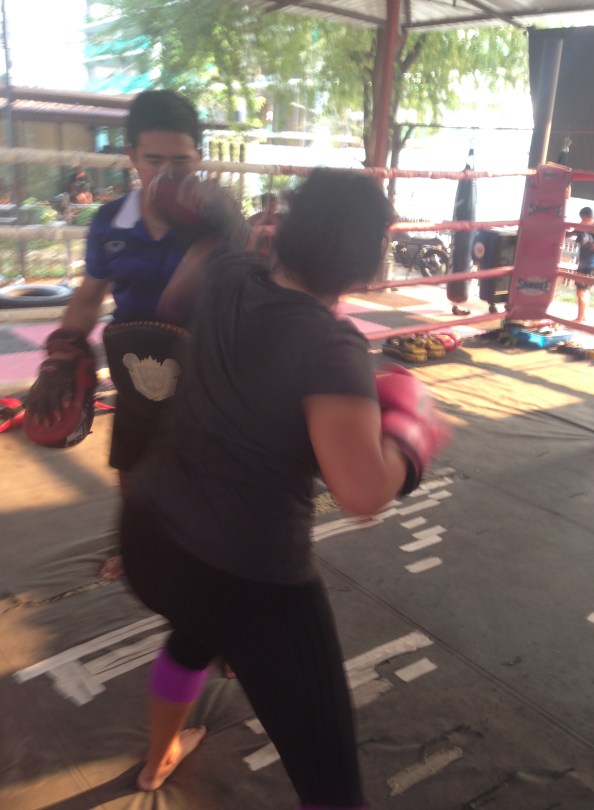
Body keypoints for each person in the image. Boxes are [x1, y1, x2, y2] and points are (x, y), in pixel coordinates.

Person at [119, 168, 450, 802]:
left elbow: (172, 301)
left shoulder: (227, 275)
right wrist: (410, 437)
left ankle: (156, 761)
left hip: (151, 538)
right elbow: (361, 492)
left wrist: (220, 223)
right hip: (248, 576)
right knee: (333, 790)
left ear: (288, 229)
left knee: (195, 630)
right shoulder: (329, 345)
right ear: (369, 260)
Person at [26, 89, 245, 580]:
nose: (168, 172)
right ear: (131, 156)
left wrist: (226, 237)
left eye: (181, 160)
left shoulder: (219, 217)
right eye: (154, 159)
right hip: (137, 367)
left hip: (208, 368)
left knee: (212, 469)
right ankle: (141, 544)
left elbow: (251, 296)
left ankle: (218, 564)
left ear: (199, 157)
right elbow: (89, 296)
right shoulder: (111, 223)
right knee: (132, 462)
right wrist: (62, 352)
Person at [573, 206, 594, 323]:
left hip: (592, 263)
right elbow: (572, 232)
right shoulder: (584, 227)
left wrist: (590, 243)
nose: (581, 222)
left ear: (587, 217)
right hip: (585, 262)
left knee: (581, 290)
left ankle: (579, 319)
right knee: (583, 290)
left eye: (582, 219)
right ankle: (583, 316)